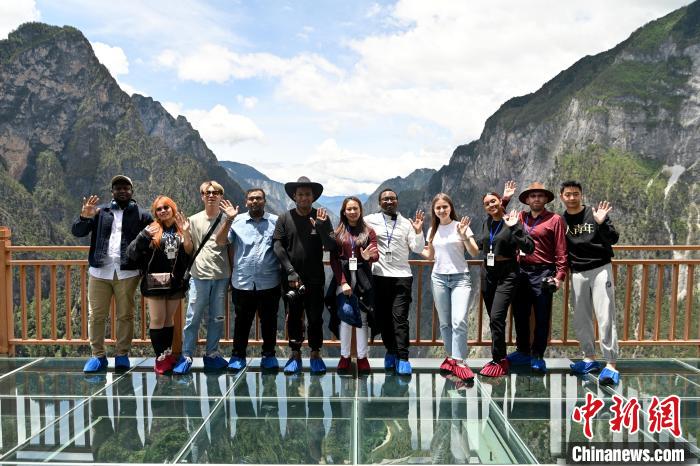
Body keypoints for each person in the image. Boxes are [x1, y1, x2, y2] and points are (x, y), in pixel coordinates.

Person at [71, 175, 153, 373]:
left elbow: (152, 242)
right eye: (118, 188)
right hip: (99, 272)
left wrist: (143, 266)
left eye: (126, 187)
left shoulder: (142, 215)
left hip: (128, 273)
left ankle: (122, 354)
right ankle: (98, 356)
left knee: (125, 315)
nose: (122, 190)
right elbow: (78, 232)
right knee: (96, 315)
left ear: (132, 191)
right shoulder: (99, 212)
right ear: (112, 192)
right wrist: (84, 217)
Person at [465, 190, 534, 377]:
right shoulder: (486, 223)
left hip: (508, 273)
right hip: (488, 273)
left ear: (500, 202)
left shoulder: (511, 221)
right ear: (484, 207)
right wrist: (463, 236)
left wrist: (515, 228)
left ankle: (499, 359)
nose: (491, 205)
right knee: (494, 318)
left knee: (496, 317)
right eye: (487, 203)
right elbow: (481, 244)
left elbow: (529, 247)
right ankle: (499, 357)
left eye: (494, 201)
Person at [273, 176, 336, 374]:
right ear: (294, 196)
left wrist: (321, 227)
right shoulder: (284, 218)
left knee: (315, 317)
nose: (304, 198)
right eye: (300, 194)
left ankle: (315, 354)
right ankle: (295, 354)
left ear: (313, 197)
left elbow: (331, 245)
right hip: (291, 278)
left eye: (307, 194)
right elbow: (278, 246)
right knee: (293, 316)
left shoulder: (321, 217)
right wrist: (290, 271)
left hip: (315, 278)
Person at [560, 181, 621, 385]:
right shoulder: (561, 220)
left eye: (575, 194)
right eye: (568, 194)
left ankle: (610, 363)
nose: (572, 198)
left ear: (581, 195)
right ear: (562, 197)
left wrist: (601, 223)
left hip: (600, 268)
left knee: (605, 315)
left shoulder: (594, 213)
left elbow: (613, 238)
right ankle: (589, 358)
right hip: (577, 272)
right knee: (581, 317)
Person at [216, 188, 282, 372]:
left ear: (264, 201)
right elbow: (220, 241)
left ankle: (269, 354)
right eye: (251, 198)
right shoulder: (236, 221)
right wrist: (228, 219)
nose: (255, 201)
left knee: (269, 321)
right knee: (242, 321)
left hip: (270, 281)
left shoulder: (276, 222)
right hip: (242, 281)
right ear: (246, 202)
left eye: (258, 198)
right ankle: (238, 355)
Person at [127, 196, 192, 374]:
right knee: (157, 319)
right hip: (155, 282)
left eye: (166, 207)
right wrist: (144, 235)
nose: (163, 211)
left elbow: (189, 251)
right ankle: (160, 358)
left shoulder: (182, 228)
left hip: (176, 281)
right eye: (158, 209)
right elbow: (132, 252)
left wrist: (186, 233)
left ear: (173, 208)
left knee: (168, 319)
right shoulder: (152, 229)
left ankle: (167, 353)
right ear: (155, 213)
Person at [507, 182, 568, 373]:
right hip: (521, 271)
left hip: (544, 272)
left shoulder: (555, 220)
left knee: (542, 315)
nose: (536, 199)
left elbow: (561, 250)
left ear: (546, 199)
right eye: (532, 196)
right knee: (520, 314)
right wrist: (505, 198)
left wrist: (559, 276)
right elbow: (498, 216)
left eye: (540, 196)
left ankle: (538, 355)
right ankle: (523, 351)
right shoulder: (520, 217)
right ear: (527, 199)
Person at [365, 189, 425, 375]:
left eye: (392, 198)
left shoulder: (406, 223)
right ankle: (390, 351)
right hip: (379, 276)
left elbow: (417, 248)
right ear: (379, 202)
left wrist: (418, 231)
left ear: (397, 201)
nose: (389, 201)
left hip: (401, 277)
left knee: (400, 318)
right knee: (383, 318)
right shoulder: (370, 220)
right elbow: (351, 223)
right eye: (385, 199)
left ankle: (403, 357)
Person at [173, 181, 230, 374]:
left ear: (221, 196)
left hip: (221, 275)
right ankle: (186, 355)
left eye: (216, 192)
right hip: (199, 276)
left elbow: (228, 246)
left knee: (217, 318)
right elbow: (189, 249)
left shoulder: (228, 219)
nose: (211, 195)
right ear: (202, 196)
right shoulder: (194, 220)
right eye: (208, 192)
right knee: (193, 317)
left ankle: (211, 354)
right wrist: (185, 232)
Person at [420, 193, 476, 381]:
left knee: (459, 321)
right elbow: (430, 256)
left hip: (460, 278)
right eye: (438, 208)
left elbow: (474, 252)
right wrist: (415, 241)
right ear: (434, 210)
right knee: (445, 323)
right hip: (438, 278)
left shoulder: (461, 227)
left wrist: (464, 236)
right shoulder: (432, 230)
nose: (442, 210)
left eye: (445, 206)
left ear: (451, 207)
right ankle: (452, 357)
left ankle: (460, 362)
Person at [329, 196, 379, 374]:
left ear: (360, 210)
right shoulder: (337, 233)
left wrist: (368, 257)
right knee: (346, 316)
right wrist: (342, 282)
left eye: (355, 208)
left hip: (363, 278)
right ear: (344, 212)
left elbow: (376, 255)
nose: (352, 212)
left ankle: (362, 357)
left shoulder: (368, 232)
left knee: (362, 318)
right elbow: (334, 260)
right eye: (349, 209)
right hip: (344, 277)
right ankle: (344, 357)